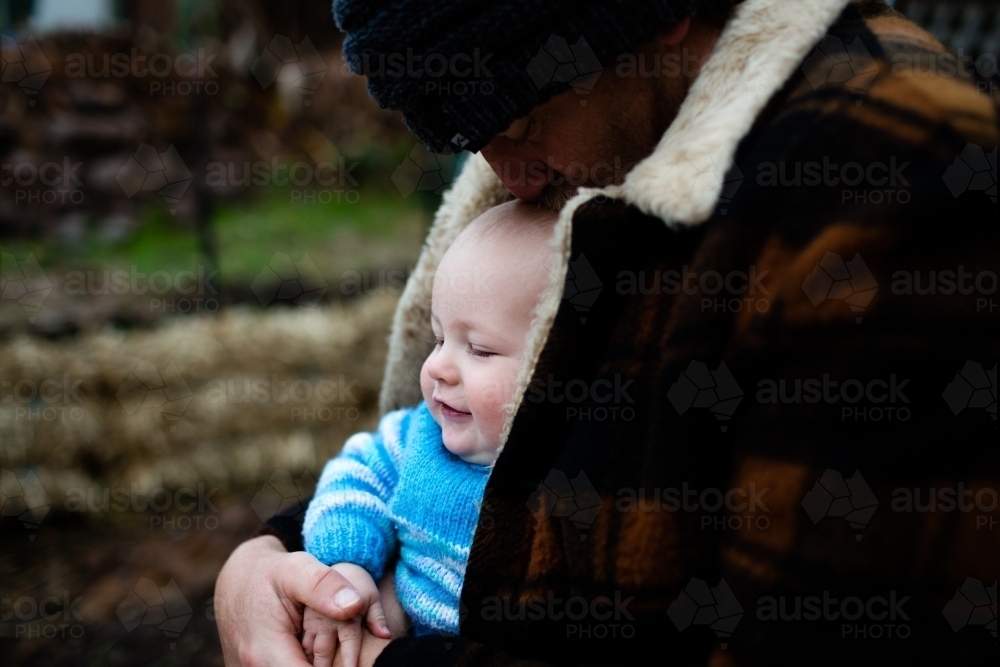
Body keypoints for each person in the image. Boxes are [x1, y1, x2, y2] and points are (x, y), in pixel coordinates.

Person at [216, 0, 998, 665]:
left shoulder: (888, 187)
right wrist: (266, 566)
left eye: (520, 121)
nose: (506, 178)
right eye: (476, 142)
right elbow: (468, 448)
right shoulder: (603, 110)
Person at [299, 201, 558, 667]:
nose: (437, 366)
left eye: (478, 349)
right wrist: (348, 565)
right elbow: (356, 477)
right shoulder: (417, 435)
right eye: (439, 339)